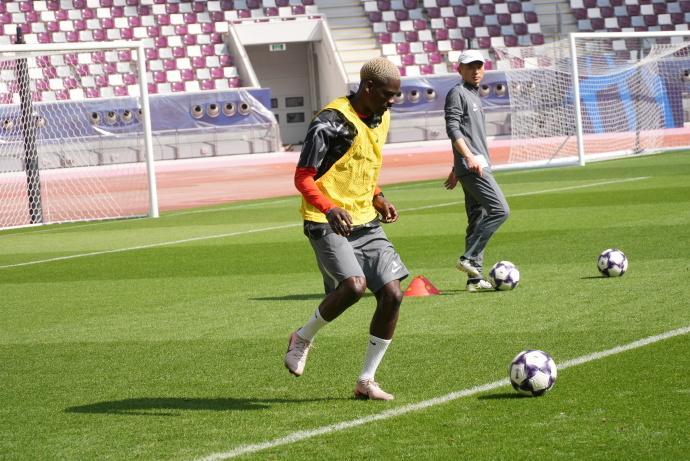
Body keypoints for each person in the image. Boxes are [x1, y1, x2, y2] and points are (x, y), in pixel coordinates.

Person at [284, 57, 408, 401]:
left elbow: (362, 165)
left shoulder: (381, 116)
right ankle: (302, 337)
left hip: (365, 219)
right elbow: (303, 177)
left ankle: (366, 380)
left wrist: (378, 196)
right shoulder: (329, 123)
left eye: (395, 95)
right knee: (354, 287)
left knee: (393, 295)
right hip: (325, 220)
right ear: (368, 87)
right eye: (387, 94)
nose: (392, 101)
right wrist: (329, 207)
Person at [443, 49, 510, 292]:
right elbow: (453, 128)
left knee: (477, 220)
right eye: (470, 66)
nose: (475, 70)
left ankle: (474, 279)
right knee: (500, 210)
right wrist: (467, 158)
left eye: (479, 66)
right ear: (459, 69)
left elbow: (466, 134)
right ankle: (469, 258)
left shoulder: (473, 95)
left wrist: (456, 167)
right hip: (474, 166)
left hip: (471, 165)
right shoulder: (457, 93)